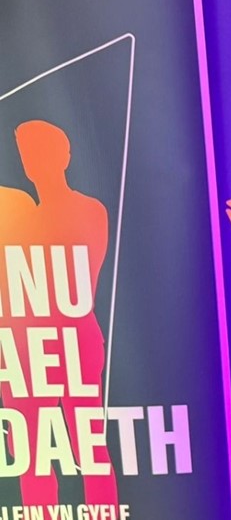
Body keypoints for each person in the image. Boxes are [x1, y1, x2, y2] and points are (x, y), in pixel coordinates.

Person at [0, 120, 118, 507]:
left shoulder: (87, 210)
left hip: (74, 344)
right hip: (24, 350)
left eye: (42, 152)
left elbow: (80, 286)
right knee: (32, 455)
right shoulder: (20, 213)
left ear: (64, 156)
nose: (33, 162)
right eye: (27, 154)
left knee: (89, 449)